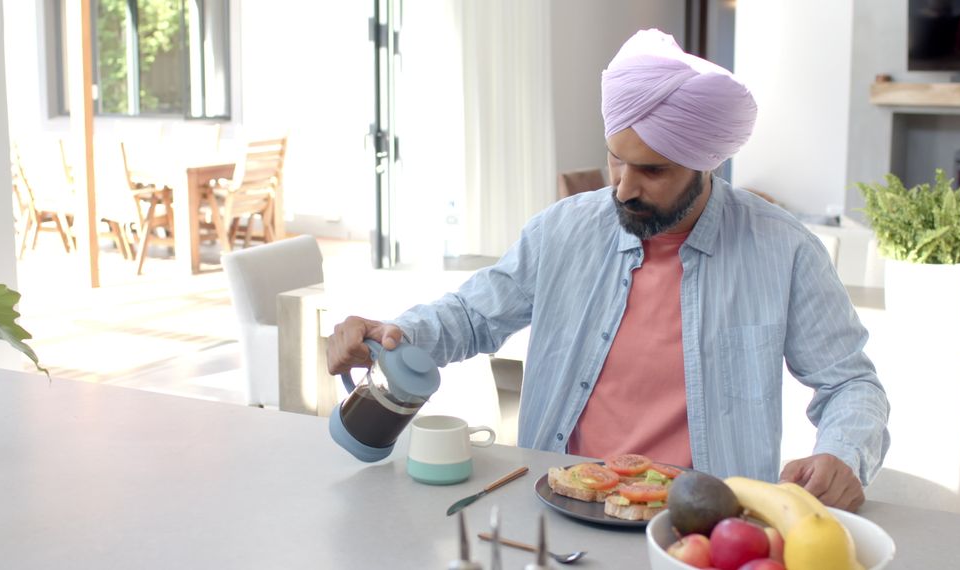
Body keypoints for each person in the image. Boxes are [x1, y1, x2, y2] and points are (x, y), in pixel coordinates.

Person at [327, 29, 890, 512]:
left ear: (706, 161)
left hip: (703, 526)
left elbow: (850, 383)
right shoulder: (563, 230)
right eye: (615, 157)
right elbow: (473, 315)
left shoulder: (783, 250)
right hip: (562, 501)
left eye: (651, 170)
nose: (622, 187)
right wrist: (392, 334)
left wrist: (843, 454)